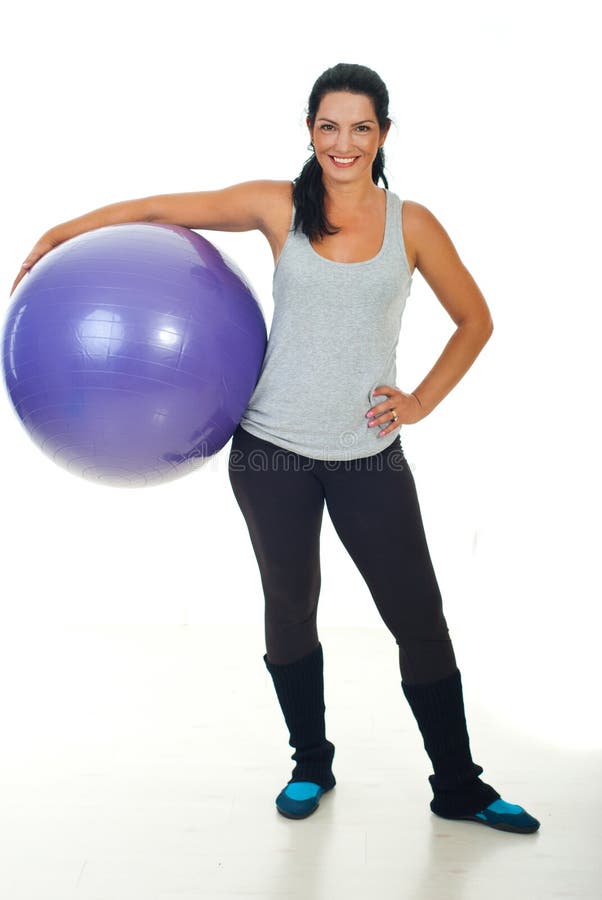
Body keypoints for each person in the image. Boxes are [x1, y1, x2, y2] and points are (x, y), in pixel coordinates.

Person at [11, 62, 539, 834]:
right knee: (291, 608)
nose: (344, 142)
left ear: (384, 134)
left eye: (361, 127)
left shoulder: (411, 225)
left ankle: (458, 785)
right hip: (271, 455)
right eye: (329, 126)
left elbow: (476, 321)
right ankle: (310, 763)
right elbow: (162, 207)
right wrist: (62, 231)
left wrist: (419, 400)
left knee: (418, 617)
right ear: (311, 131)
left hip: (366, 454)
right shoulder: (279, 206)